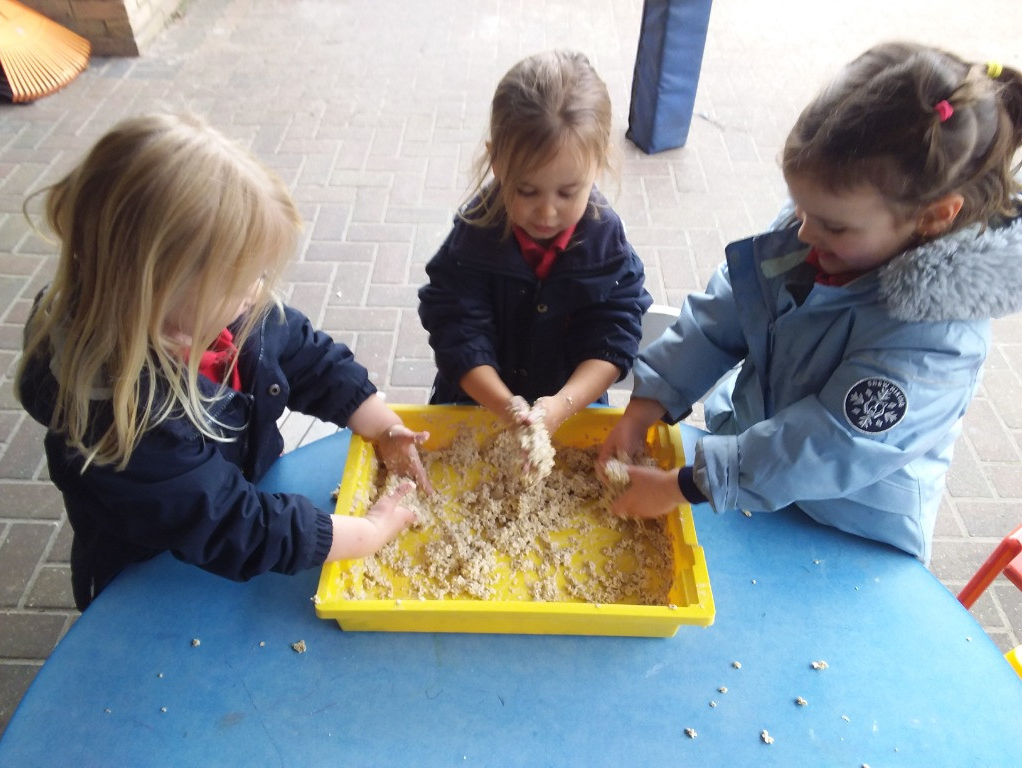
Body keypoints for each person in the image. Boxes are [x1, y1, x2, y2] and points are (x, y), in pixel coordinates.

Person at [599, 42, 1022, 564]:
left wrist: (684, 485)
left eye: (832, 224)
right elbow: (725, 314)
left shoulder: (939, 339)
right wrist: (648, 404)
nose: (803, 230)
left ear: (934, 217)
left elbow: (829, 443)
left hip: (853, 528)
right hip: (747, 472)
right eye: (801, 207)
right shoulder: (820, 231)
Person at [15, 113, 432, 610]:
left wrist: (380, 423)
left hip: (225, 497)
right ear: (160, 290)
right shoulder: (124, 422)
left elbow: (301, 351)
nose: (257, 294)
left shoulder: (214, 315)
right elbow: (234, 524)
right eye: (239, 284)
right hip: (147, 575)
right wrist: (367, 532)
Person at [418, 50, 652, 435]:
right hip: (476, 401)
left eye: (567, 192)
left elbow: (614, 336)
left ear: (598, 163)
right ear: (497, 163)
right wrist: (503, 404)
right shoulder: (473, 237)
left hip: (572, 404)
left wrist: (562, 405)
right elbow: (457, 329)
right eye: (526, 190)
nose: (546, 212)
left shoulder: (605, 243)